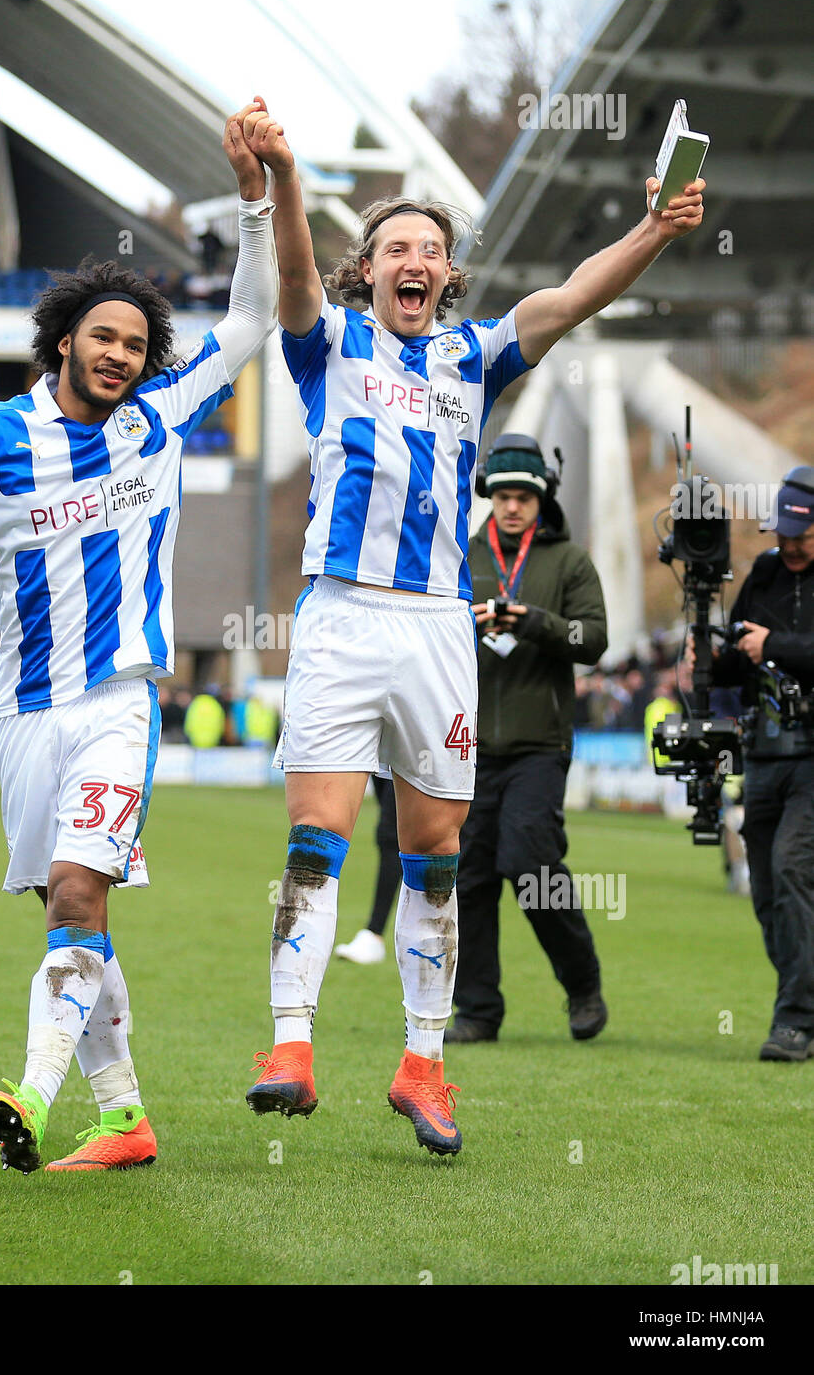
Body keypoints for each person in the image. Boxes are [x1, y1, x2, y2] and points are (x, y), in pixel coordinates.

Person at [240, 97, 705, 1155]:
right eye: (395, 247)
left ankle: (423, 1064)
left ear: (448, 279)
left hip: (437, 629)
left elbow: (573, 296)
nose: (415, 261)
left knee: (436, 851)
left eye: (432, 252)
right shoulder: (329, 343)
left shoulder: (473, 358)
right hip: (343, 618)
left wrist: (655, 229)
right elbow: (297, 274)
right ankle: (290, 1045)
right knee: (316, 837)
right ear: (371, 270)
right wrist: (285, 179)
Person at [0, 100, 279, 1175]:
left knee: (77, 891)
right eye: (104, 336)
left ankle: (34, 1094)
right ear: (64, 340)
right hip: (23, 714)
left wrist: (254, 200)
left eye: (136, 344)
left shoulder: (156, 418)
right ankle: (128, 1119)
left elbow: (249, 323)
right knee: (73, 920)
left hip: (116, 703)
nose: (121, 354)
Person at [444, 435, 608, 1044]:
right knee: (470, 877)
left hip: (541, 744)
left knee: (530, 863)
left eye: (525, 496)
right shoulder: (459, 553)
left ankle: (582, 983)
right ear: (489, 494)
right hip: (469, 746)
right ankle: (478, 1010)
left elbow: (593, 641)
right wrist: (469, 621)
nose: (513, 506)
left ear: (541, 499)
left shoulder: (569, 561)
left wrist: (535, 623)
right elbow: (428, 628)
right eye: (503, 495)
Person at [700, 467, 814, 1061]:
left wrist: (772, 645)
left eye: (803, 534)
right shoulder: (765, 572)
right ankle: (804, 1000)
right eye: (785, 533)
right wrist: (708, 652)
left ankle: (794, 1020)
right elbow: (737, 656)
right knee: (766, 889)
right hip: (766, 750)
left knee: (795, 869)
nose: (791, 544)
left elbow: (769, 645)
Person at [333, 775, 400, 964]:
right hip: (383, 750)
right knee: (395, 832)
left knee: (392, 834)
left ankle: (375, 933)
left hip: (419, 750)